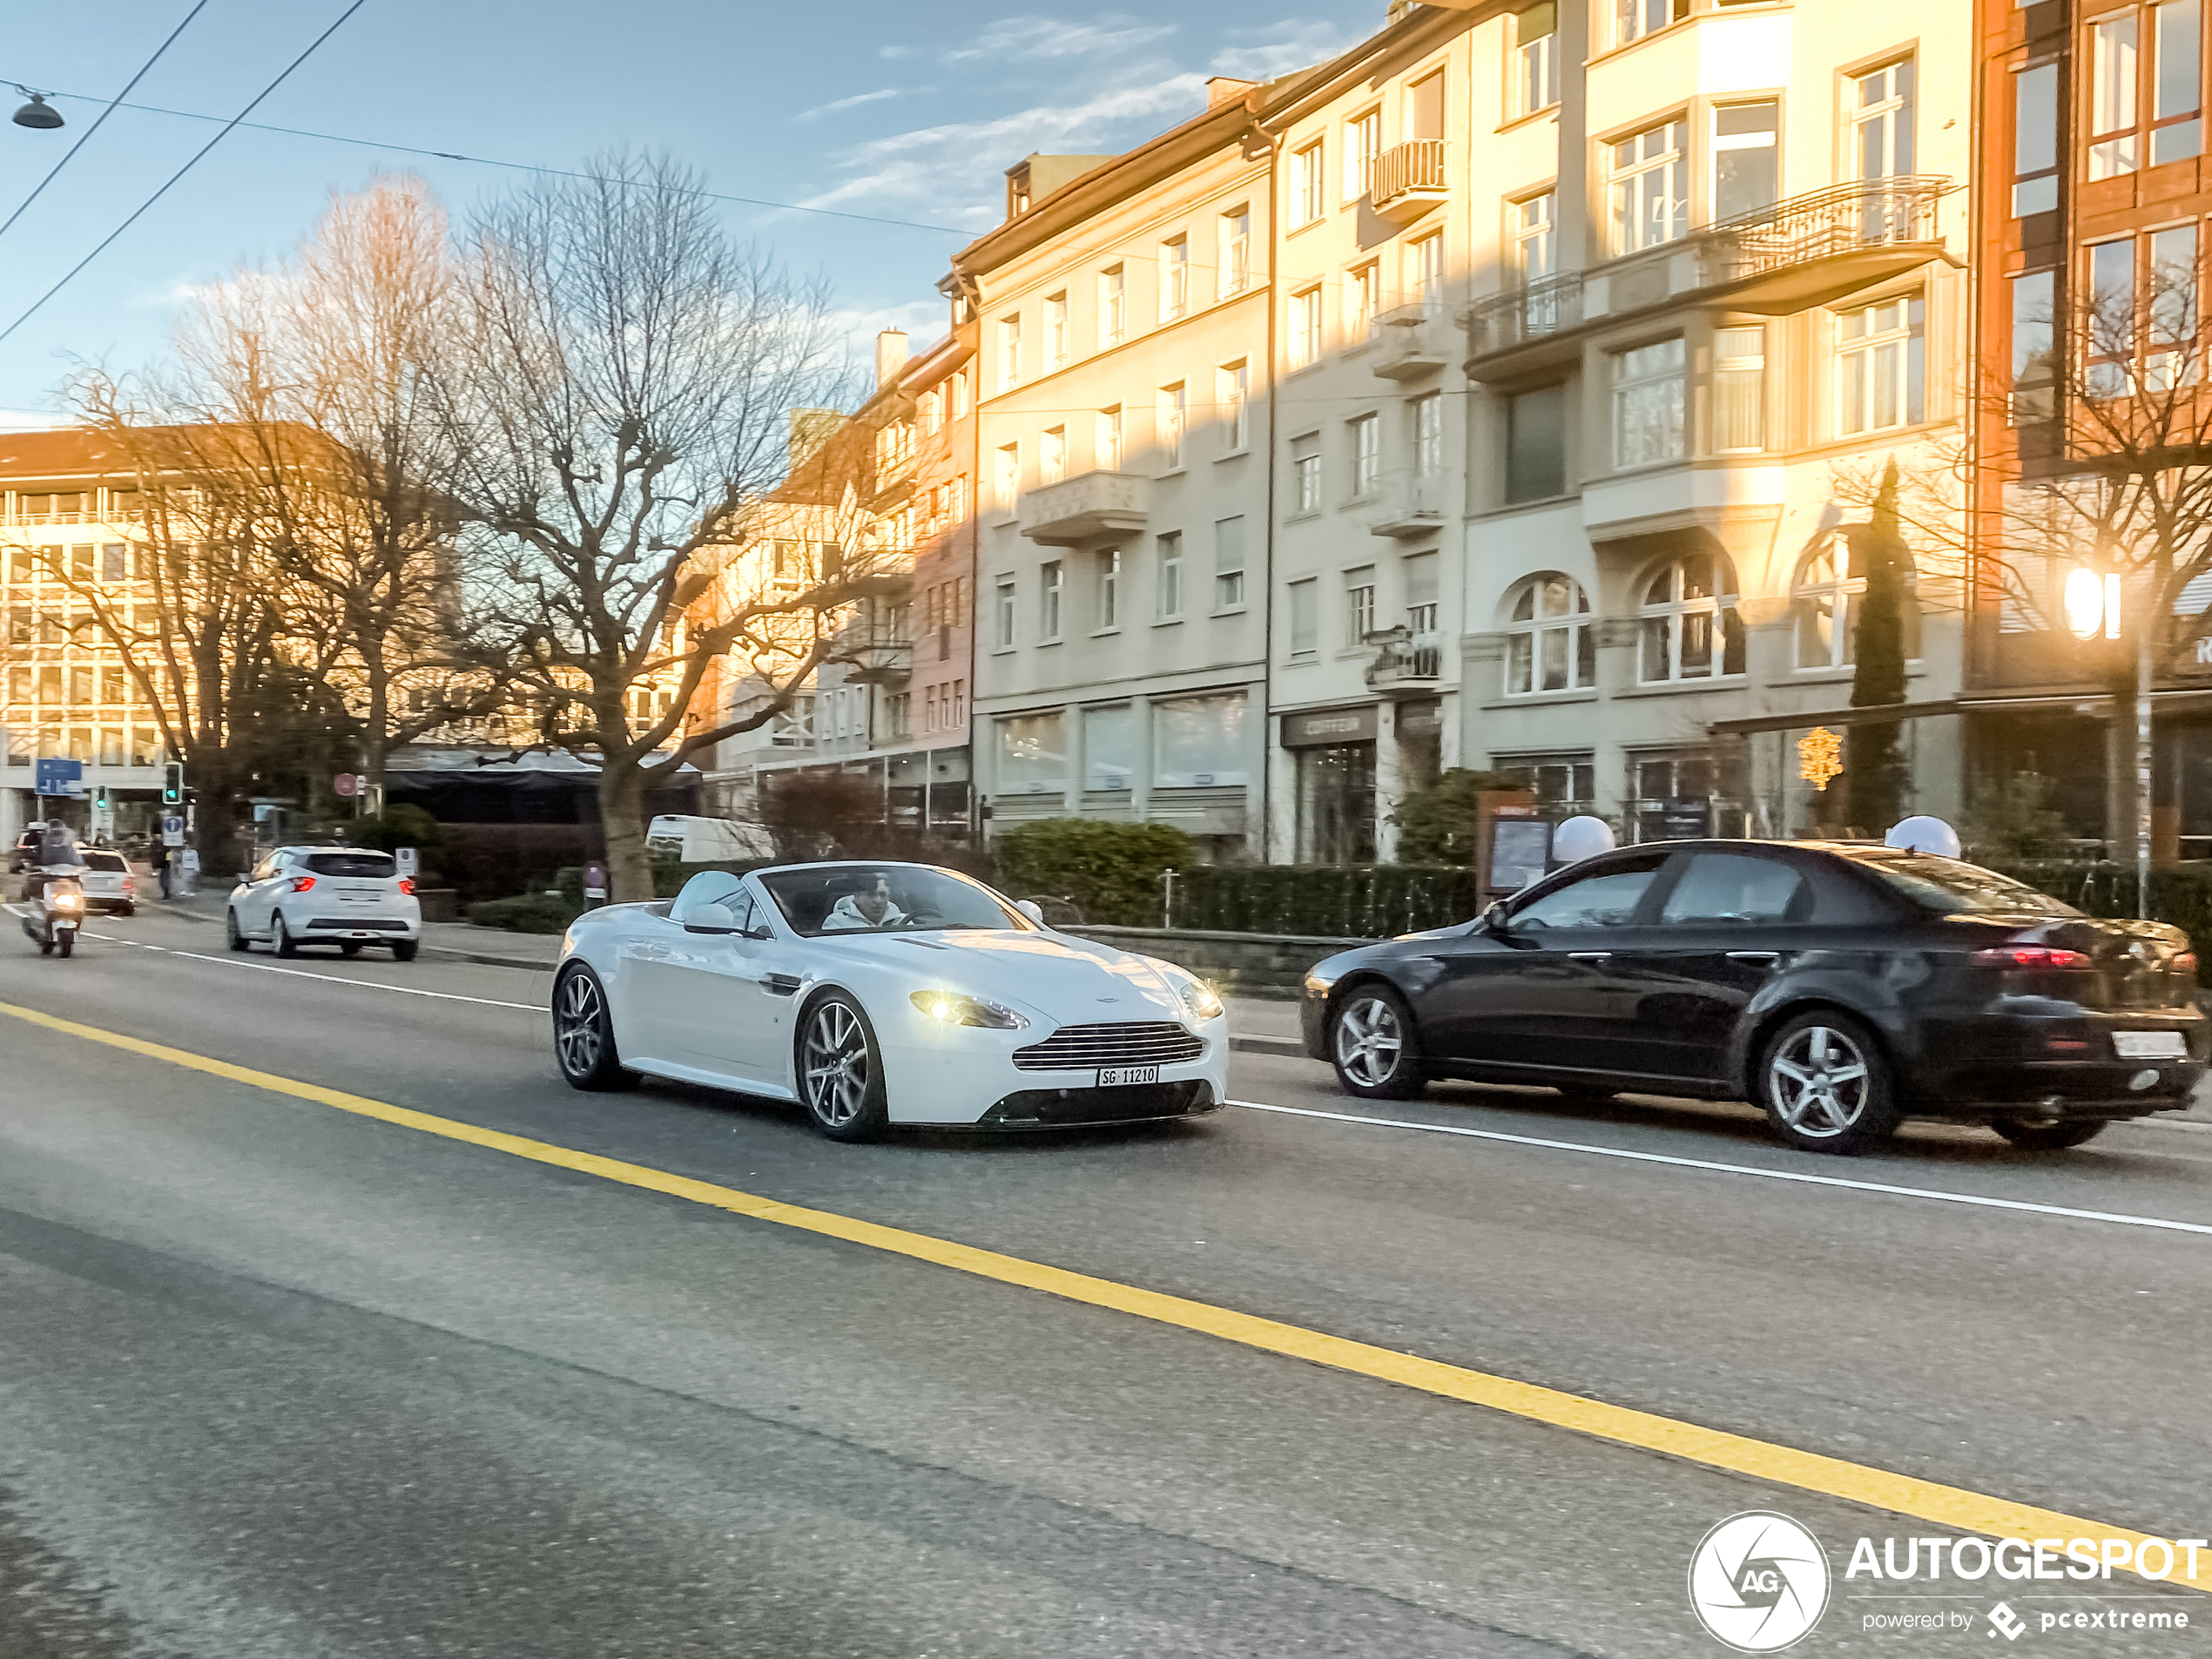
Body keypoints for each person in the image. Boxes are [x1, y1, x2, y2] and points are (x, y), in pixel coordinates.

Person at [820, 872, 904, 931]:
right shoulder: (837, 923)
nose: (878, 901)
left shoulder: (902, 921)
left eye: (883, 895)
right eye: (870, 894)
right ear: (857, 896)